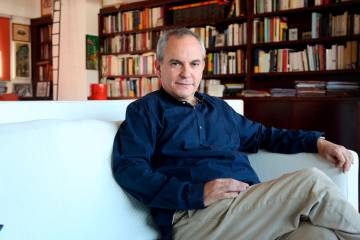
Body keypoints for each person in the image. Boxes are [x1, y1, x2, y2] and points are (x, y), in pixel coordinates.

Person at [112, 28, 359, 240]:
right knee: (312, 183)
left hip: (247, 208)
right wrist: (195, 194)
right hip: (196, 218)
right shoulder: (145, 111)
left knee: (318, 235)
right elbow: (131, 170)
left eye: (194, 63)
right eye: (176, 63)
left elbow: (264, 135)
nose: (186, 73)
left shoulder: (217, 108)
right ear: (158, 67)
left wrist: (318, 143)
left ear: (203, 67)